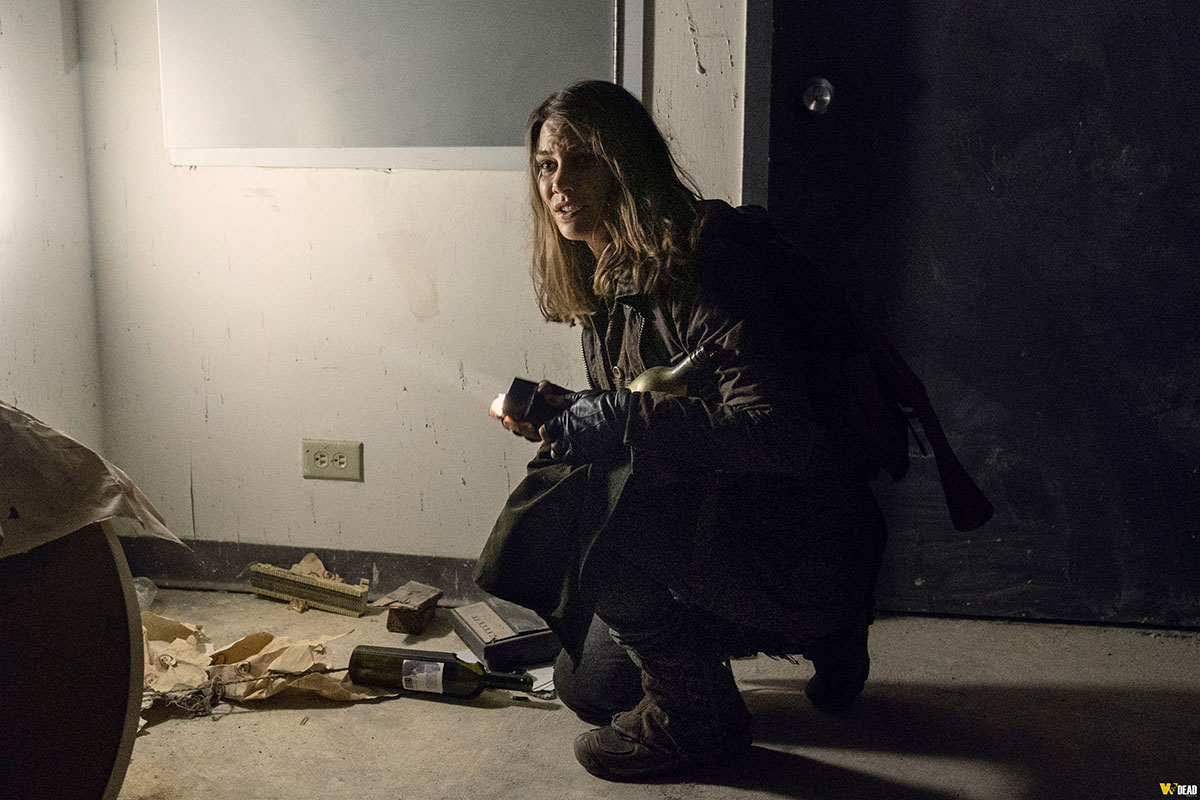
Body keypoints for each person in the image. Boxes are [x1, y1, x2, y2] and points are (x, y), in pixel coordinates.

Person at [479, 80, 887, 781]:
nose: (558, 185)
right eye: (546, 166)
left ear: (625, 164)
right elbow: (653, 404)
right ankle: (769, 637)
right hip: (713, 521)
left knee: (577, 502)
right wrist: (574, 409)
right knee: (589, 688)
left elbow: (778, 433)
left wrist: (616, 418)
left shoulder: (707, 266)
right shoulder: (608, 275)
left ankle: (705, 712)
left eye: (581, 161)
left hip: (796, 537)